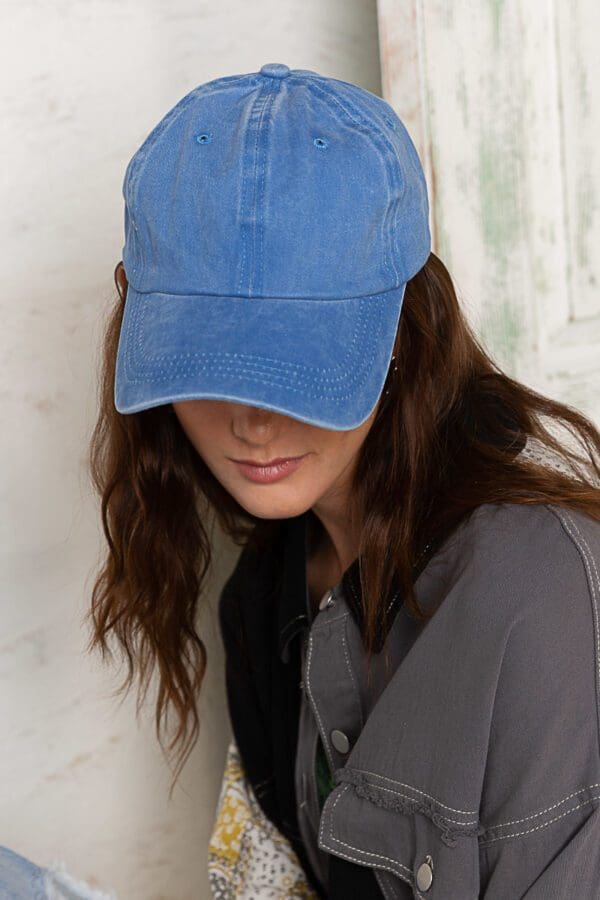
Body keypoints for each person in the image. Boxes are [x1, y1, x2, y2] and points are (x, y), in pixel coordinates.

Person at [87, 62, 600, 898]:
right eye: (210, 361)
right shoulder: (263, 600)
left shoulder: (546, 599)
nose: (253, 423)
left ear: (408, 321)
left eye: (296, 366)